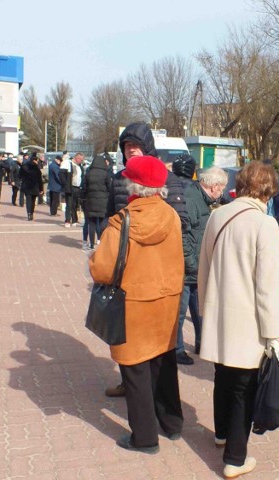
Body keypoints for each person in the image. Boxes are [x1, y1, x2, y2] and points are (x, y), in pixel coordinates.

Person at [89, 155, 184, 454]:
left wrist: (92, 260)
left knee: (135, 370)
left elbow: (103, 269)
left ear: (132, 185)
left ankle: (145, 438)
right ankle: (172, 424)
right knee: (163, 363)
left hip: (134, 303)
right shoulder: (171, 215)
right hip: (167, 300)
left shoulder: (122, 222)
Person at [197, 161, 279, 478]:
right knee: (243, 389)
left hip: (219, 312)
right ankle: (235, 458)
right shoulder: (265, 225)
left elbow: (203, 267)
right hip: (248, 321)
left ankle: (222, 433)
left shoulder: (218, 214)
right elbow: (269, 285)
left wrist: (206, 310)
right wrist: (273, 332)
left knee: (223, 376)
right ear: (267, 190)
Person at [103, 123, 188, 398]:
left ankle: (154, 400)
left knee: (161, 341)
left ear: (148, 148)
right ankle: (132, 385)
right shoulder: (118, 179)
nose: (131, 152)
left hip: (161, 267)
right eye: (127, 148)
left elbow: (180, 222)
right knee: (131, 337)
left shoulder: (169, 179)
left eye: (136, 147)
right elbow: (110, 219)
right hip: (129, 268)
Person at [175, 164, 228, 365]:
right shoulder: (192, 199)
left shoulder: (201, 199)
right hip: (189, 267)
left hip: (196, 266)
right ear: (213, 186)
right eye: (221, 188)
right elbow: (183, 235)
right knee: (180, 313)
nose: (222, 192)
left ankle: (201, 342)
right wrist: (192, 263)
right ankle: (177, 349)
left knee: (200, 308)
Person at [82, 154, 111, 250]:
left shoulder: (88, 173)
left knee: (92, 223)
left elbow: (84, 187)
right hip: (103, 200)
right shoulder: (105, 173)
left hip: (90, 200)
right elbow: (109, 187)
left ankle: (91, 244)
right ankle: (100, 241)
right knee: (102, 222)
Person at [60, 153, 85, 227]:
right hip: (70, 187)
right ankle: (67, 220)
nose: (81, 161)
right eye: (81, 160)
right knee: (69, 204)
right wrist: (65, 184)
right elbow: (61, 174)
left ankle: (74, 220)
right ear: (77, 158)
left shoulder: (79, 166)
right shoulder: (67, 163)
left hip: (77, 187)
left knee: (75, 204)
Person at [19, 153, 44, 221]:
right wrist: (41, 189)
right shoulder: (37, 169)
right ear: (35, 161)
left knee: (28, 200)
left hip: (26, 186)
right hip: (34, 187)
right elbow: (40, 180)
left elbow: (19, 175)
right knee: (33, 201)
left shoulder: (24, 167)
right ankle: (32, 213)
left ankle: (29, 213)